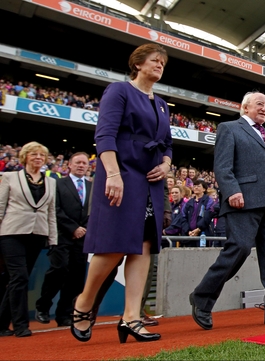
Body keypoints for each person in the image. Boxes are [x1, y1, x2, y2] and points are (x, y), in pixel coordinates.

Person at [70, 43, 172, 344]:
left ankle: (131, 317)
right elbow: (104, 134)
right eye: (155, 60)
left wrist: (166, 164)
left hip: (151, 181)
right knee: (115, 245)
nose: (160, 66)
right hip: (121, 175)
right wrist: (113, 174)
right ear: (138, 64)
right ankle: (85, 302)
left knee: (143, 246)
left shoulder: (163, 103)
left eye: (163, 63)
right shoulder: (119, 91)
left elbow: (167, 143)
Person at [190, 91, 265, 329]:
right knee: (237, 250)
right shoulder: (230, 128)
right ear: (245, 107)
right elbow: (222, 165)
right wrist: (232, 191)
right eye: (260, 103)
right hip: (243, 201)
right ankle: (203, 298)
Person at [0, 142, 57, 337]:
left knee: (17, 280)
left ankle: (1, 324)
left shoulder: (51, 181)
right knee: (19, 277)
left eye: (41, 155)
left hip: (37, 234)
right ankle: (20, 325)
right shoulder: (9, 177)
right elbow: (0, 206)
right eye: (34, 154)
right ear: (25, 157)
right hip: (11, 233)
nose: (38, 158)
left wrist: (53, 239)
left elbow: (51, 212)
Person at [35, 152, 91, 327]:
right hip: (62, 236)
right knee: (58, 270)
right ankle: (43, 307)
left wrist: (85, 229)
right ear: (69, 165)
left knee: (76, 278)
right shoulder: (58, 184)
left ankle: (64, 314)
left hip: (83, 239)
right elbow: (54, 209)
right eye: (78, 162)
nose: (81, 165)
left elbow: (94, 211)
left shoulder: (92, 187)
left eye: (84, 163)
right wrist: (73, 228)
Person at [179, 179, 215, 246]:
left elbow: (208, 215)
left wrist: (199, 229)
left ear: (204, 189)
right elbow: (183, 216)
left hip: (203, 234)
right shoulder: (189, 202)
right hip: (190, 235)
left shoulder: (209, 200)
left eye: (198, 186)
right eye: (194, 186)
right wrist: (188, 231)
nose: (195, 187)